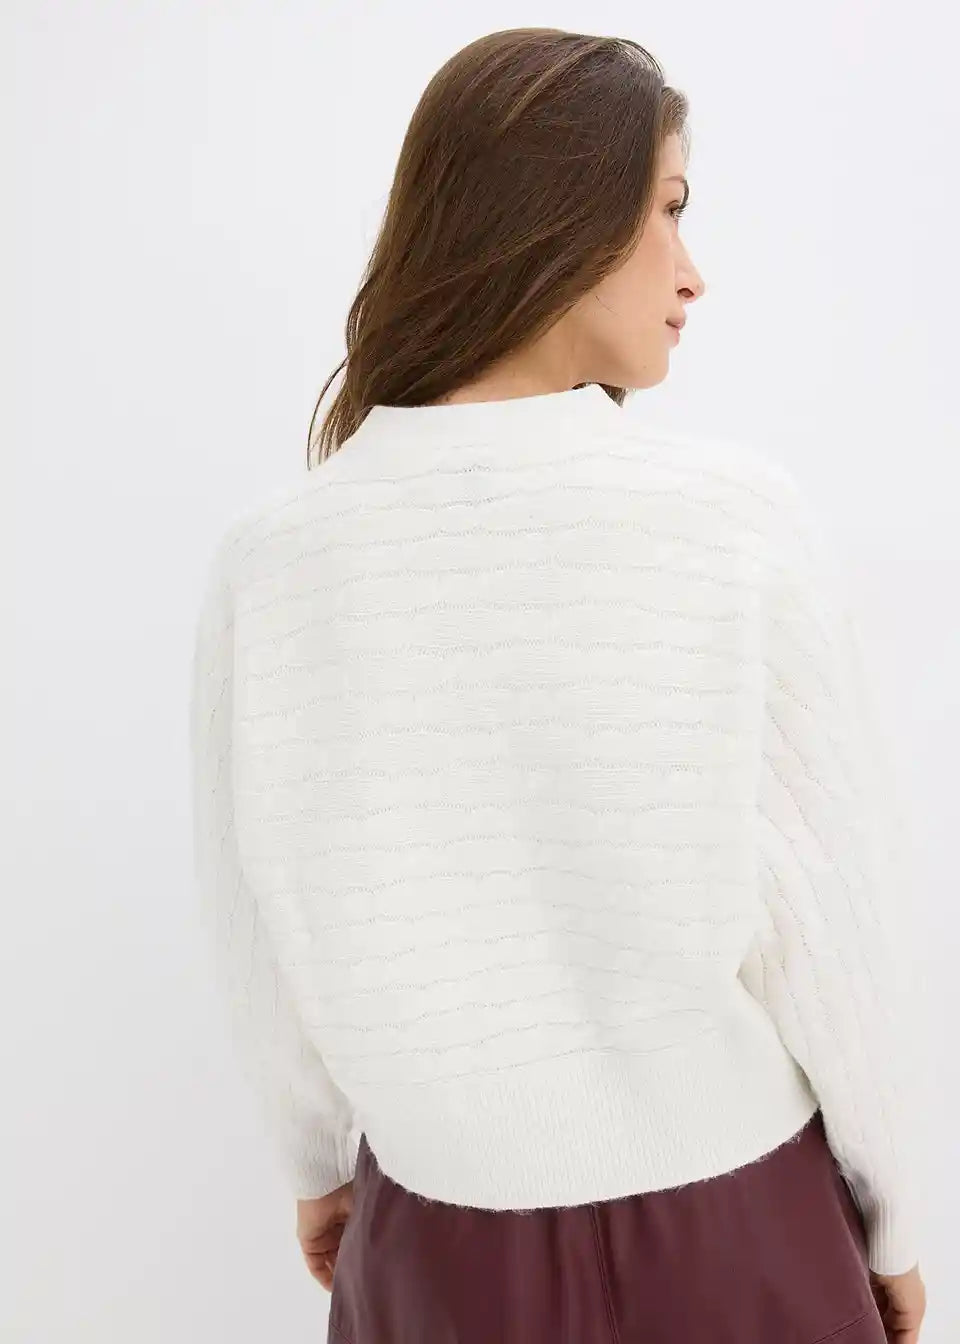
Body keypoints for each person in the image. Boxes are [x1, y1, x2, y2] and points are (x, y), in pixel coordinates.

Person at [189, 26, 928, 1343]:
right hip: (740, 1225)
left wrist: (313, 1161)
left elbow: (258, 924)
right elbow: (833, 934)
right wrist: (898, 1219)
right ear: (562, 218)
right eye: (671, 210)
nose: (693, 273)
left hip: (431, 1241)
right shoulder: (734, 521)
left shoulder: (273, 561)